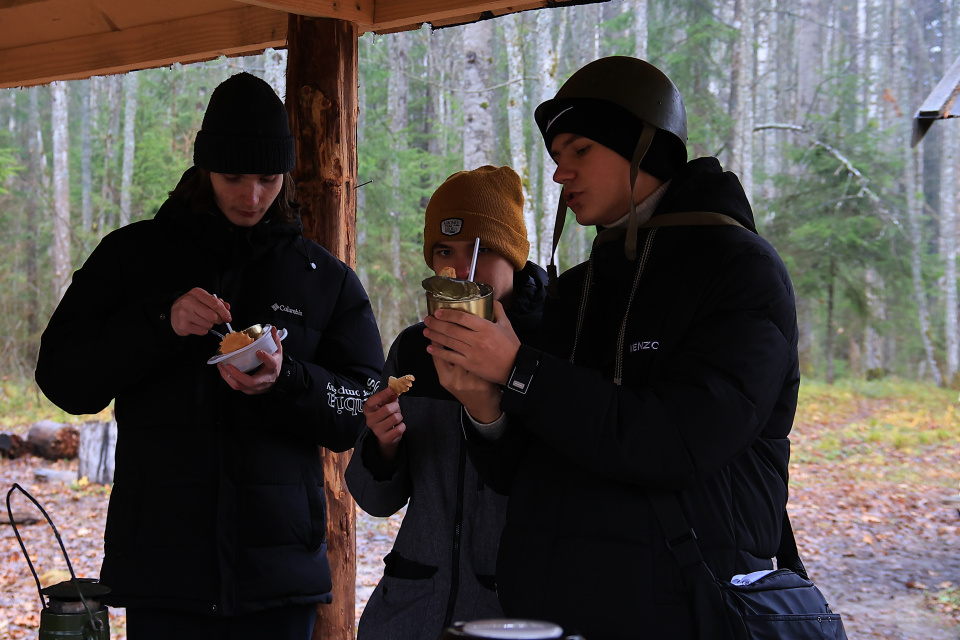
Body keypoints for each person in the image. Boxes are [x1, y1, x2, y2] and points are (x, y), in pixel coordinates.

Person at [422, 56, 800, 639]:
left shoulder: (740, 272)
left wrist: (520, 371)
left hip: (685, 611)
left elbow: (678, 443)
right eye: (555, 158)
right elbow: (518, 469)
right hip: (551, 611)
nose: (559, 174)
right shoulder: (578, 289)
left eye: (579, 151)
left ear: (642, 147)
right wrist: (486, 408)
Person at [34, 72, 384, 640]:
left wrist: (288, 380)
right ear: (204, 169)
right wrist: (160, 322)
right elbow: (63, 379)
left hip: (280, 580)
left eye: (268, 178)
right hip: (165, 571)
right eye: (232, 176)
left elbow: (361, 407)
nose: (251, 196)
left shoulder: (323, 279)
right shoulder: (132, 258)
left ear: (286, 175)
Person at [346, 166, 547, 640]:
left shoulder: (549, 346)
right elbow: (374, 500)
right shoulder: (416, 348)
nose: (458, 272)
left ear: (514, 256)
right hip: (410, 609)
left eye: (480, 251)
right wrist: (383, 446)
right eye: (444, 252)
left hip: (509, 613)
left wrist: (488, 410)